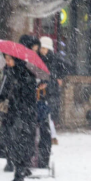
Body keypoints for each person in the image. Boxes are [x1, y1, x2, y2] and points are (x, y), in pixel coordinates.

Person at [0, 51, 39, 181]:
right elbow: (1, 92)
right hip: (11, 114)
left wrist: (17, 92)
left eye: (10, 59)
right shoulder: (7, 73)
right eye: (6, 59)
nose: (7, 62)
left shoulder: (27, 75)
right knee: (10, 143)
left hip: (24, 115)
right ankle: (21, 168)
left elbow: (29, 97)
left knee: (21, 143)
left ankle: (19, 174)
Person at [37, 36, 66, 169]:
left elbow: (56, 81)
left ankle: (44, 159)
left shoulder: (55, 61)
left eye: (45, 48)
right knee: (42, 129)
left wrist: (49, 84)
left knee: (46, 128)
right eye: (41, 48)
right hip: (40, 98)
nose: (43, 51)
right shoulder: (38, 59)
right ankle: (40, 158)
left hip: (49, 98)